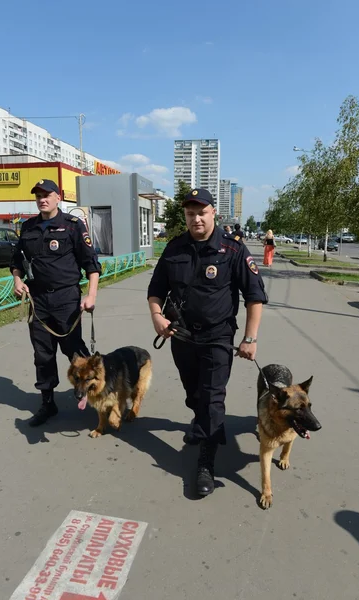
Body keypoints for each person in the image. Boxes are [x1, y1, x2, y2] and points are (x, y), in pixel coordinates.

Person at [147, 188, 268, 497]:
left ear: (214, 212)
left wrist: (250, 338)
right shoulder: (174, 248)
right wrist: (157, 317)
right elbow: (155, 289)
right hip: (181, 336)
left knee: (213, 397)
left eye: (201, 212)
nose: (196, 218)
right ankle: (202, 421)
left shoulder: (233, 249)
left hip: (218, 337)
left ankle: (205, 463)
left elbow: (254, 296)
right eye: (190, 213)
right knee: (194, 393)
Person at [10, 179, 101, 427]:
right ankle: (48, 403)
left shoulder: (72, 226)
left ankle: (95, 393)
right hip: (37, 301)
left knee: (75, 351)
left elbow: (91, 264)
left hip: (66, 299)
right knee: (43, 354)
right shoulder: (28, 227)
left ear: (58, 197)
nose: (42, 199)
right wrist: (18, 281)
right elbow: (16, 262)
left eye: (47, 194)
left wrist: (91, 295)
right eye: (38, 195)